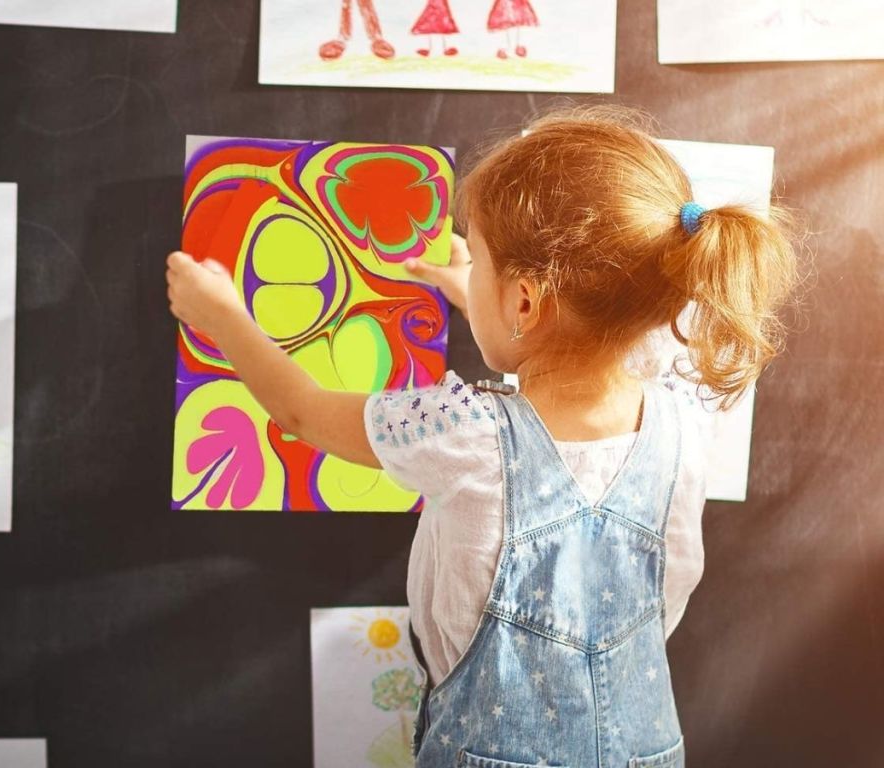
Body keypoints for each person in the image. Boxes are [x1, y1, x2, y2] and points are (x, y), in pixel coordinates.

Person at [165, 107, 799, 767]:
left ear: (525, 302)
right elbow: (576, 355)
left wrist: (221, 316)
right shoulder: (682, 416)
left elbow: (303, 412)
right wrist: (480, 295)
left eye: (480, 265)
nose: (470, 273)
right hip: (647, 750)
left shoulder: (460, 435)